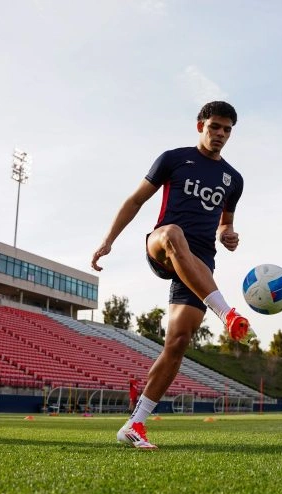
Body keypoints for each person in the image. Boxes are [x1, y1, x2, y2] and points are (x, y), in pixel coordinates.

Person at [91, 101, 250, 449]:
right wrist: (108, 241)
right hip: (162, 243)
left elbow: (226, 225)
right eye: (214, 127)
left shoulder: (233, 180)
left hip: (198, 264)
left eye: (226, 129)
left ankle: (135, 424)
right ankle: (228, 313)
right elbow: (135, 201)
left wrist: (229, 236)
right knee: (175, 233)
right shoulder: (173, 158)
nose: (220, 134)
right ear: (200, 127)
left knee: (176, 343)